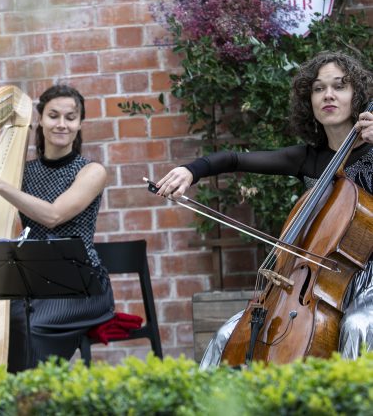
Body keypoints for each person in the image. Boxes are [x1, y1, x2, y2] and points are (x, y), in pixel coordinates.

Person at [156, 51, 373, 368]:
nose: (328, 95)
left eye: (339, 86)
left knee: (357, 327)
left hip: (369, 281)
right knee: (227, 335)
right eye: (318, 88)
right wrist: (191, 172)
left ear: (357, 97)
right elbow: (233, 159)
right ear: (308, 100)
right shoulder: (306, 159)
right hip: (315, 287)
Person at [0, 85, 115, 373]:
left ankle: (32, 396)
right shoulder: (23, 171)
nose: (62, 124)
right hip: (33, 279)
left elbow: (53, 216)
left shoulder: (91, 171)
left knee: (32, 325)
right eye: (53, 116)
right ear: (40, 120)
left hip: (81, 282)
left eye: (70, 117)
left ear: (80, 124)